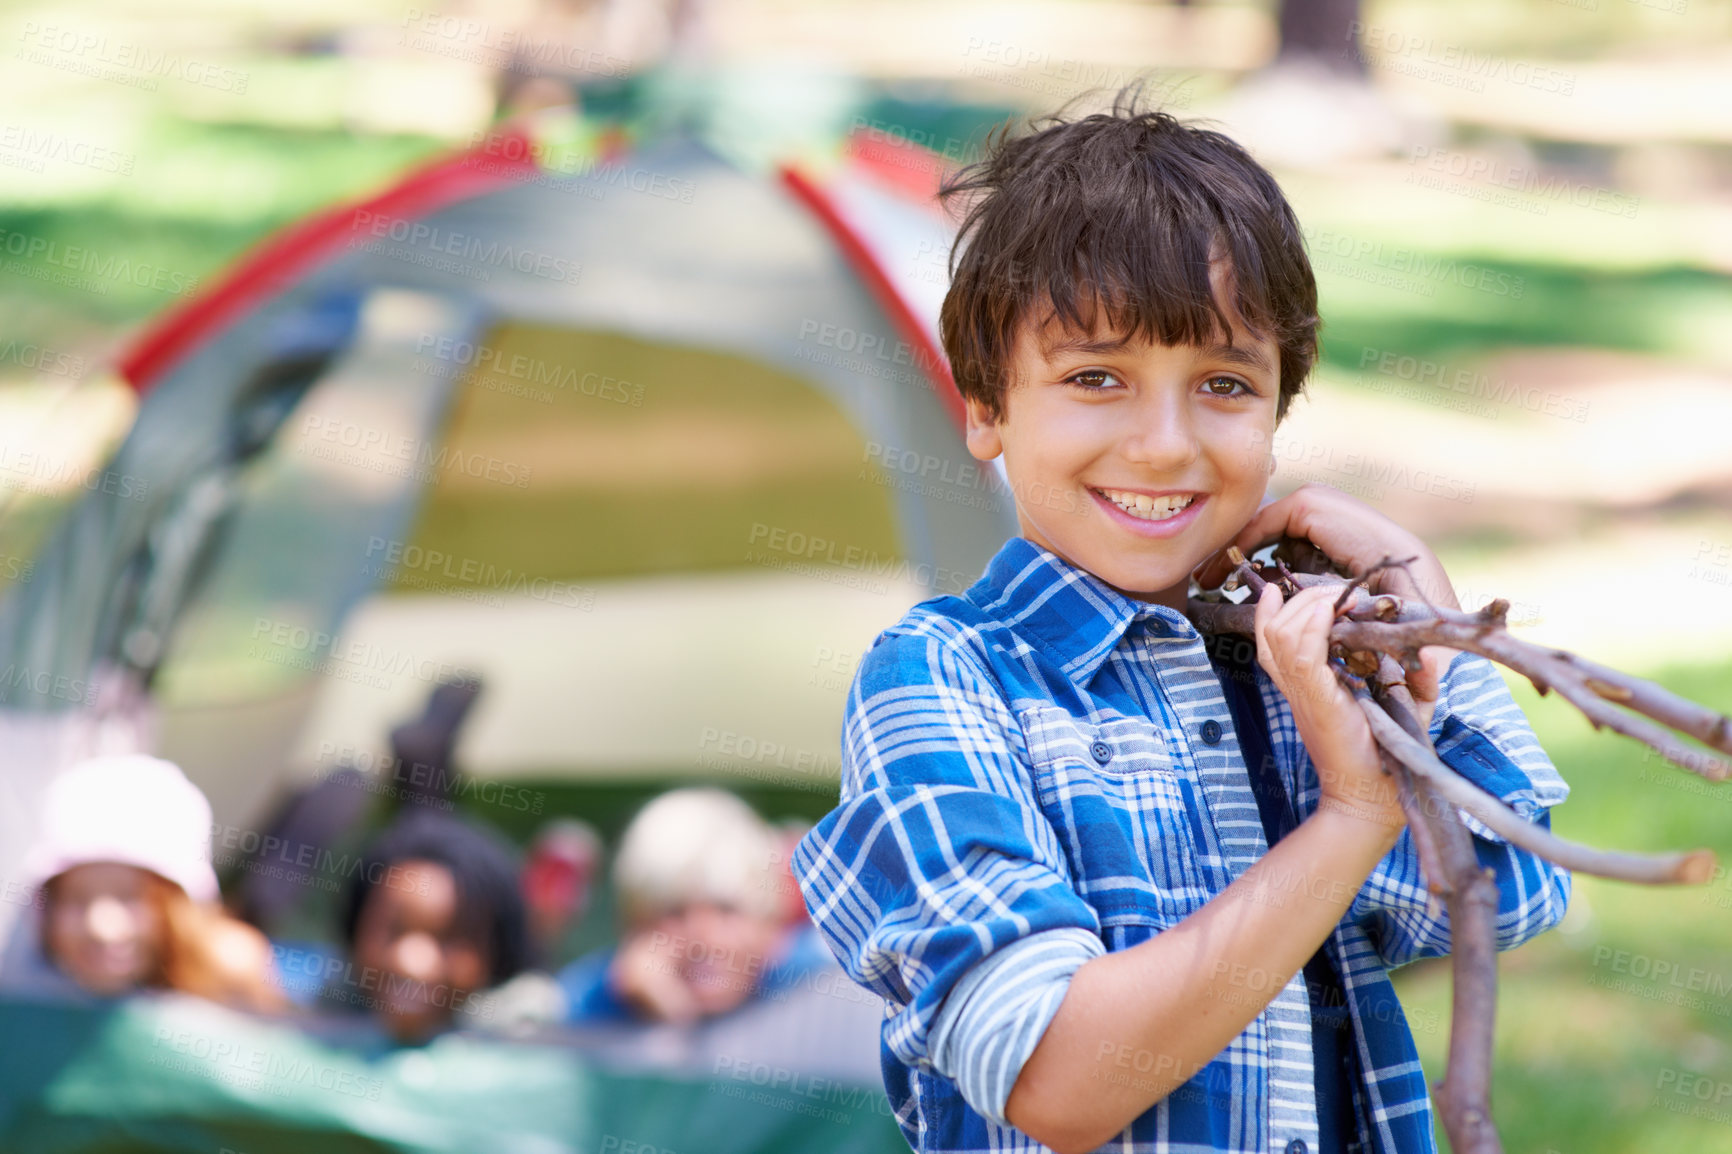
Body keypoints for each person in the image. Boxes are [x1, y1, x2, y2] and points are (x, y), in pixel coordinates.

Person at [792, 90, 1571, 1154]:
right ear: (984, 406)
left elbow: (1509, 888)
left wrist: (1419, 636)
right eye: (1096, 377)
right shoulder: (943, 681)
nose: (1163, 444)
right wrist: (1348, 815)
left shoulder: (1292, 655)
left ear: (1277, 408)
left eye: (1220, 382)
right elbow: (1060, 1079)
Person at [14, 754, 283, 1012]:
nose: (101, 928)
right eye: (75, 898)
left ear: (179, 904)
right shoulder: (25, 983)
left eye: (130, 897)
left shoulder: (230, 971)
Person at [558, 788, 829, 1025]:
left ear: (770, 924)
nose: (703, 935)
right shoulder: (593, 998)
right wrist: (663, 1013)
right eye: (673, 911)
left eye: (726, 910)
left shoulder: (817, 978)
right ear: (633, 928)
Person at [337, 809, 530, 1042]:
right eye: (394, 931)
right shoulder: (328, 1008)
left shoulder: (524, 1028)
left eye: (451, 937)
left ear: (497, 954)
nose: (412, 965)